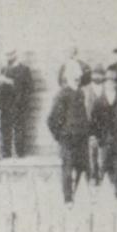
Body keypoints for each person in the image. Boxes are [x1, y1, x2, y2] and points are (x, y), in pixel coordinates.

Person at [47, 64, 90, 204]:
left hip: (82, 138)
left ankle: (80, 196)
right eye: (74, 77)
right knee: (68, 168)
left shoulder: (80, 93)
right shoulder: (62, 94)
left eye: (78, 77)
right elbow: (51, 119)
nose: (77, 79)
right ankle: (68, 199)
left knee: (82, 167)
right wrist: (60, 136)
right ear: (68, 78)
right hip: (68, 139)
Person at [0, 49, 33, 158]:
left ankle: (20, 153)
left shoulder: (24, 69)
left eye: (10, 54)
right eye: (7, 54)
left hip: (18, 104)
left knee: (19, 129)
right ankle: (6, 154)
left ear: (15, 55)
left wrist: (11, 82)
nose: (8, 57)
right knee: (5, 128)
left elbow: (30, 88)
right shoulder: (4, 69)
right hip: (5, 104)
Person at [89, 75, 117, 185]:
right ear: (105, 85)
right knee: (105, 161)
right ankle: (105, 185)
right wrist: (94, 136)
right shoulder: (98, 101)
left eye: (113, 82)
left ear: (116, 85)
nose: (110, 84)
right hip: (104, 136)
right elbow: (93, 120)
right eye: (108, 82)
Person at [83, 64, 107, 181]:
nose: (97, 76)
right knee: (91, 152)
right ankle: (93, 177)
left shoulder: (107, 89)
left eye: (100, 74)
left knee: (103, 154)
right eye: (95, 74)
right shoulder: (85, 90)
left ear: (103, 76)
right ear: (91, 75)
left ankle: (103, 178)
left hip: (104, 126)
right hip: (89, 125)